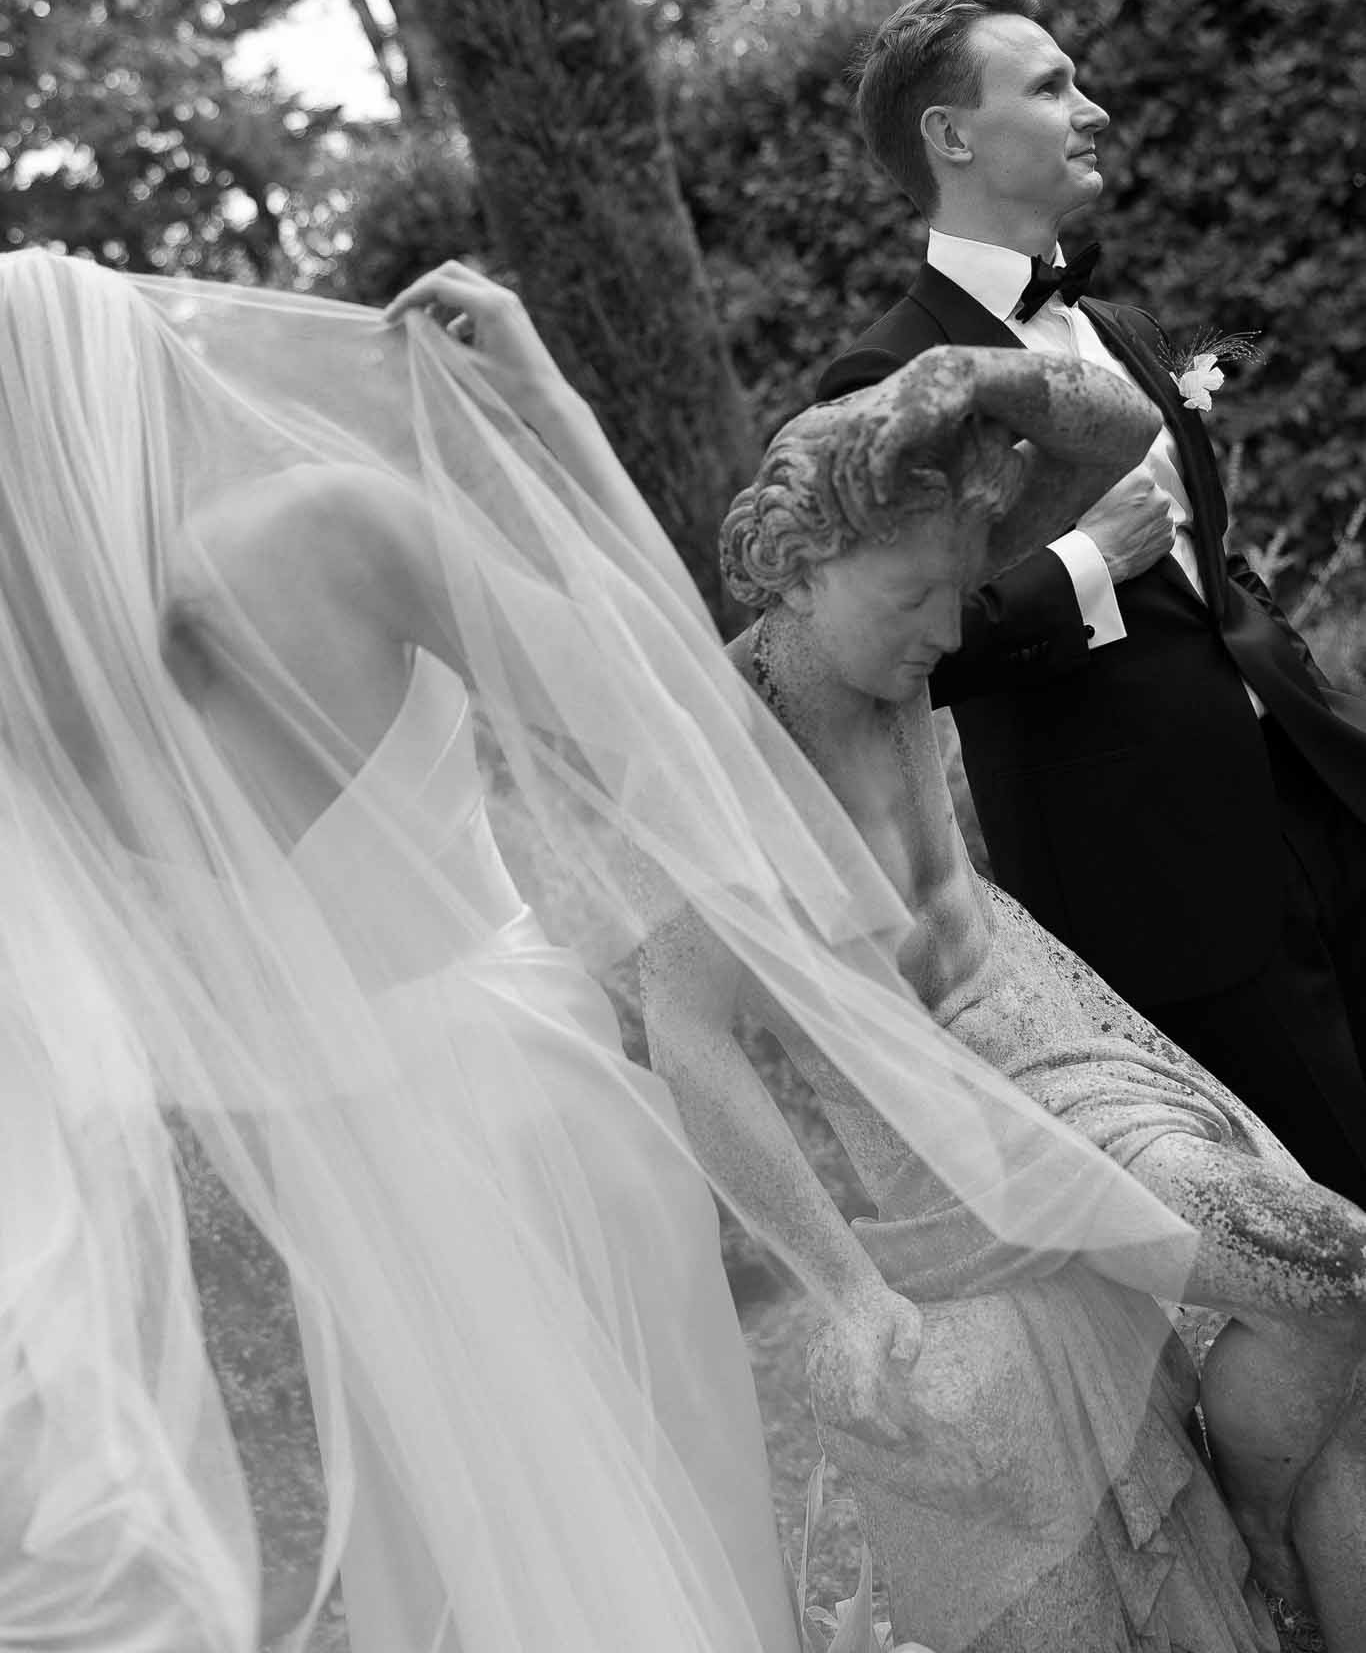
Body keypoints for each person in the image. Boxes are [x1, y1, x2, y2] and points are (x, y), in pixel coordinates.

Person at [0, 248, 1193, 1653]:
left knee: (504, 1573)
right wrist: (549, 407)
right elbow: (684, 723)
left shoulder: (41, 715)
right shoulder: (331, 527)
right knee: (681, 1562)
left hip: (355, 1213)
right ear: (123, 382)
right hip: (543, 1130)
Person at [717, 349, 1366, 1651]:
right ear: (794, 565)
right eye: (916, 599)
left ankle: (1266, 1547)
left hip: (1051, 1025)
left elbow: (1120, 424)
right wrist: (845, 1291)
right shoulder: (730, 734)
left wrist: (957, 374)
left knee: (1333, 1289)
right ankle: (1259, 1552)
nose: (951, 635)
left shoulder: (888, 644)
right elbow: (690, 1031)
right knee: (1332, 1263)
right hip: (936, 1123)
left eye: (959, 592)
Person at [816, 0, 1366, 1207]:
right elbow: (888, 650)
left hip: (1318, 792)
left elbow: (1202, 554)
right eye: (1052, 85)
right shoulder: (879, 382)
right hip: (1161, 881)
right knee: (1333, 1226)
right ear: (951, 137)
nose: (1095, 107)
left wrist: (1284, 668)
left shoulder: (1117, 326)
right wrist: (1078, 566)